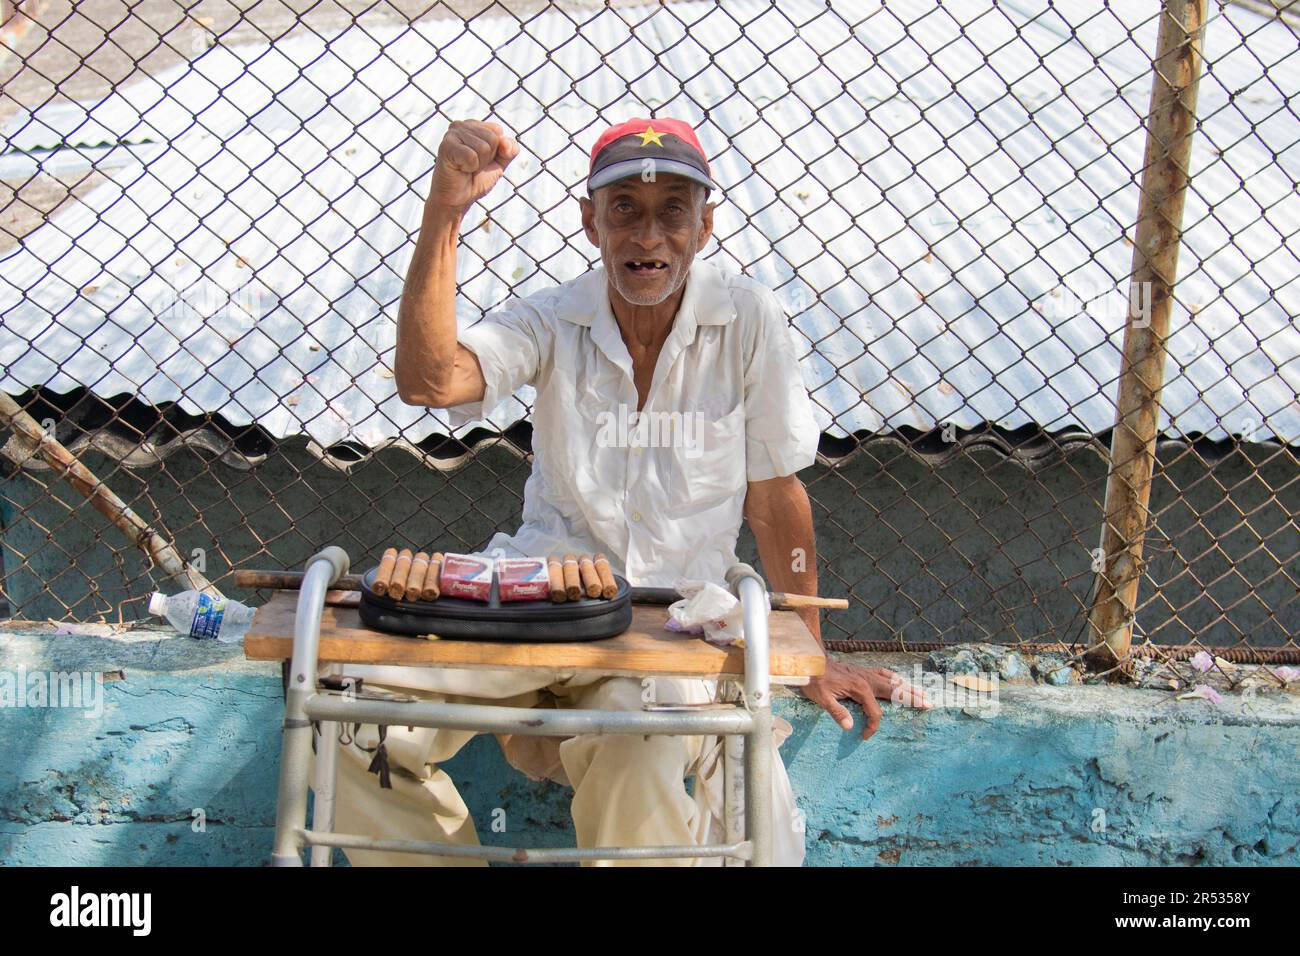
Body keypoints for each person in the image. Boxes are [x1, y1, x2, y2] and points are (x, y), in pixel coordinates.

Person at [327, 117, 930, 867]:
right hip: (543, 603)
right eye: (625, 212)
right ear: (591, 222)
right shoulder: (552, 317)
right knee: (352, 719)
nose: (648, 237)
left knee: (636, 743)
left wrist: (807, 650)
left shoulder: (748, 320)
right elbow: (430, 379)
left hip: (667, 631)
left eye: (673, 211)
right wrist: (447, 208)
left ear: (704, 226)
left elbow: (775, 495)